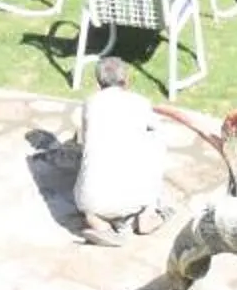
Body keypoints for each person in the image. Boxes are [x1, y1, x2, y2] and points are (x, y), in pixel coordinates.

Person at [72, 58, 169, 245]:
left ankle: (100, 225)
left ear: (98, 83)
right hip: (136, 197)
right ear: (126, 80)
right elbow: (156, 129)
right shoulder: (141, 103)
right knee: (156, 142)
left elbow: (84, 140)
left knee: (89, 208)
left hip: (92, 200)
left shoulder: (90, 102)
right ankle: (148, 214)